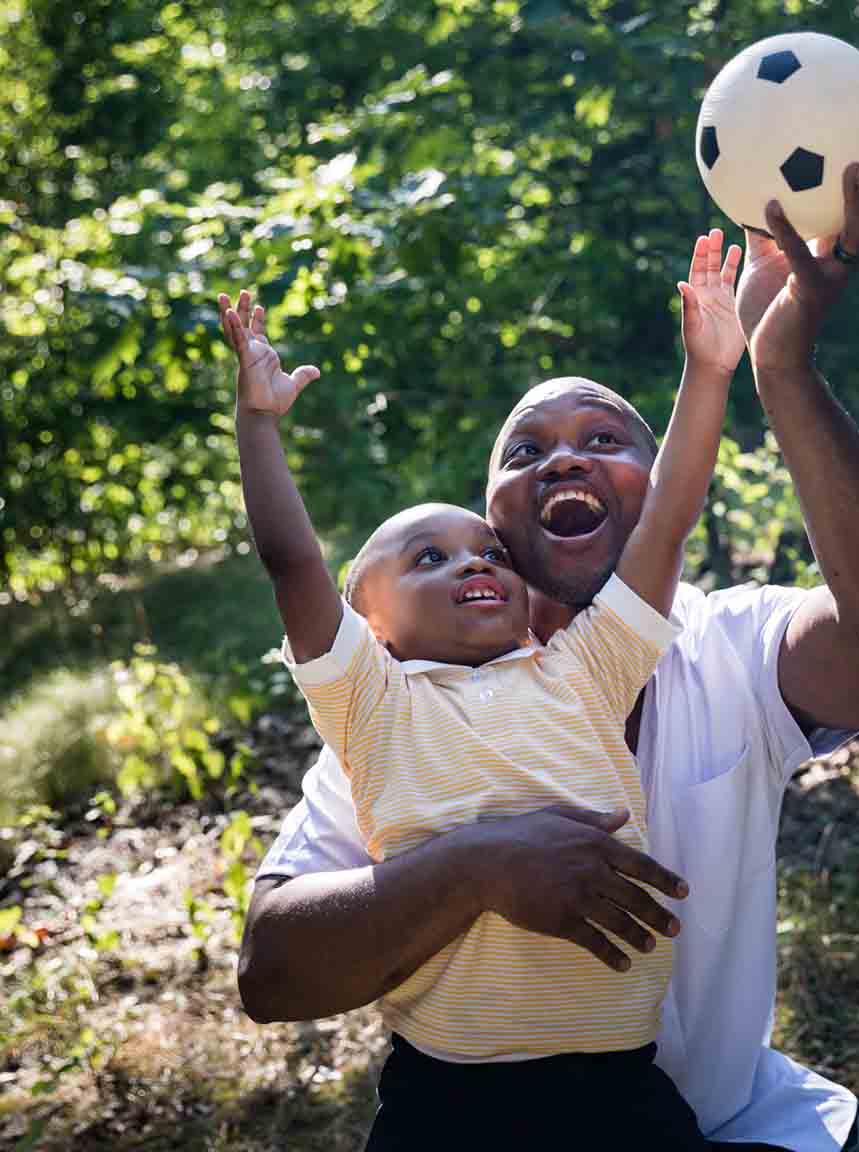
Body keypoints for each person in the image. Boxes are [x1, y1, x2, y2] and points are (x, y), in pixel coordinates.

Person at [239, 155, 859, 1152]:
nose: (567, 458)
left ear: (655, 480)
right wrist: (477, 867)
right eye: (525, 452)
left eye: (606, 440)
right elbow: (272, 974)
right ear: (489, 518)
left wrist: (777, 365)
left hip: (723, 1115)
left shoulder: (723, 640)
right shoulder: (413, 704)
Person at [220, 228, 749, 1148]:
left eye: (488, 551)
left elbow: (664, 525)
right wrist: (258, 426)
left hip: (623, 1087)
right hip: (448, 1102)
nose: (475, 563)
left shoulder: (582, 671)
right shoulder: (372, 705)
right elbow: (290, 558)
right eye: (430, 557)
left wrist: (709, 371)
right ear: (368, 624)